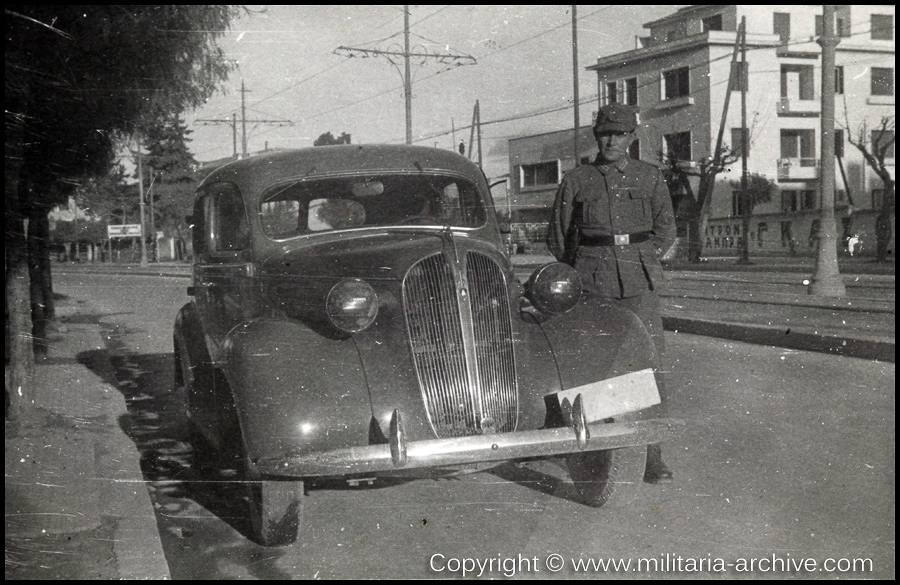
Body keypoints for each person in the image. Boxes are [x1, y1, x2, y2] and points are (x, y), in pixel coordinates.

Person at [547, 102, 677, 484]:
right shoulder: (576, 180)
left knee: (649, 363)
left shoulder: (649, 177)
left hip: (639, 283)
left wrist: (639, 257)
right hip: (593, 282)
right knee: (597, 365)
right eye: (605, 134)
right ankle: (599, 453)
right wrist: (588, 264)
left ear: (631, 138)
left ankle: (654, 454)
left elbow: (665, 229)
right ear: (596, 137)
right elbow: (558, 238)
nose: (612, 141)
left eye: (620, 134)